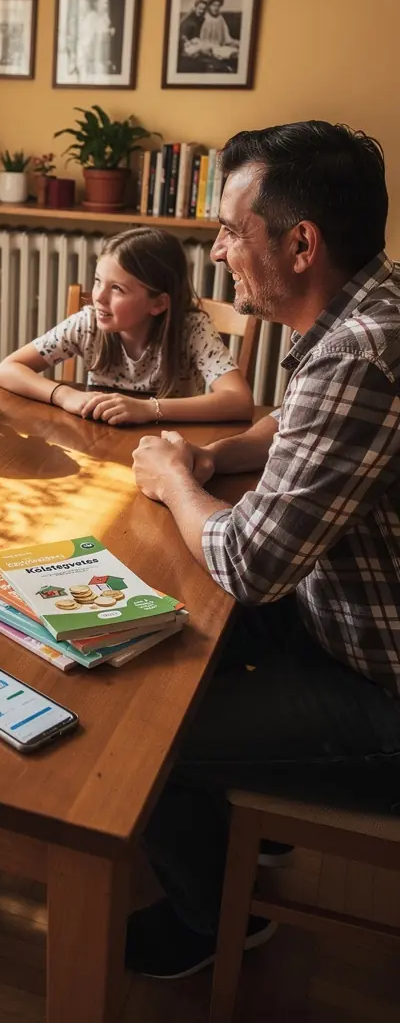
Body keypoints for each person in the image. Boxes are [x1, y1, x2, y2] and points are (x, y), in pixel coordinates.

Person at [129, 122, 400, 979]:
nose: (215, 253)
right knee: (153, 630)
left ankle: (214, 919)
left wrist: (176, 478)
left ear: (300, 244)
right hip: (342, 626)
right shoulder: (375, 306)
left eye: (229, 231)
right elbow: (295, 423)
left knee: (146, 737)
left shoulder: (360, 354)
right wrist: (220, 455)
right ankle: (257, 816)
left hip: (382, 690)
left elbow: (251, 564)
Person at [0, 228, 254, 425]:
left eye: (117, 288)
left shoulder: (192, 329)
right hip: (98, 446)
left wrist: (148, 409)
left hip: (168, 449)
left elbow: (239, 401)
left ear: (158, 303)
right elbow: (7, 370)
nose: (99, 297)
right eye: (98, 281)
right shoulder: (88, 324)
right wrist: (64, 395)